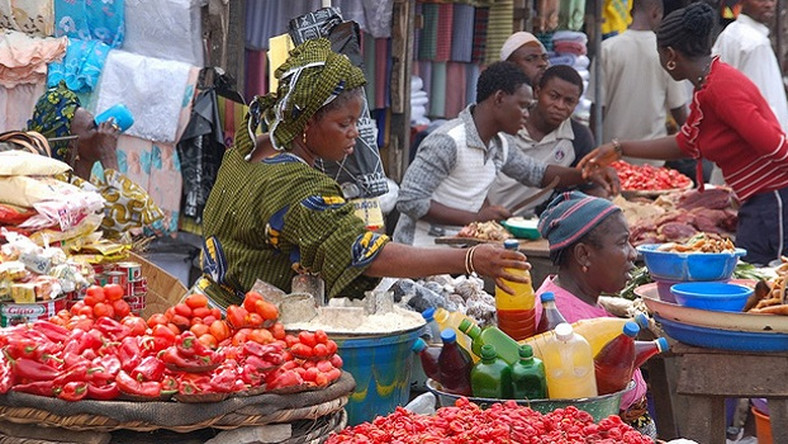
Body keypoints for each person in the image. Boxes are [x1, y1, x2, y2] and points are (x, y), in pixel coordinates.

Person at [199, 39, 532, 307]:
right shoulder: (298, 187)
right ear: (308, 121)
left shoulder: (246, 146)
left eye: (357, 122)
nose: (354, 133)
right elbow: (368, 254)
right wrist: (469, 259)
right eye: (344, 123)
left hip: (205, 304)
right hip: (245, 326)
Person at [579, 2, 788, 266]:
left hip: (772, 205)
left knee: (764, 282)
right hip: (758, 202)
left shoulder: (720, 89)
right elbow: (687, 143)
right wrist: (619, 148)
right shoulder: (708, 86)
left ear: (670, 55)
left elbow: (775, 146)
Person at [393, 61, 618, 247]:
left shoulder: (500, 143)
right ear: (499, 98)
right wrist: (475, 218)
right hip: (417, 253)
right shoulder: (448, 141)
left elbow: (537, 173)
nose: (526, 114)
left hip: (456, 256)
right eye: (522, 106)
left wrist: (587, 173)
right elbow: (410, 200)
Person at [534, 191, 654, 438]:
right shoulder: (563, 322)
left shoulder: (579, 298)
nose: (633, 254)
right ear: (583, 255)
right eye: (622, 243)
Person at [587, 0, 688, 165]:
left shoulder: (607, 49)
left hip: (612, 156)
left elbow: (598, 109)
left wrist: (592, 151)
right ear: (656, 13)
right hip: (652, 158)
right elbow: (678, 108)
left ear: (631, 11)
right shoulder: (667, 52)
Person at [487, 65, 597, 215]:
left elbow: (591, 189)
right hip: (479, 216)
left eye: (569, 101)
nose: (559, 106)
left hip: (529, 224)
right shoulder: (509, 120)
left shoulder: (578, 137)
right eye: (553, 96)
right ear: (537, 92)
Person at [713, 0, 788, 131]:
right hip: (764, 139)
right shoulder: (755, 43)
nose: (769, 4)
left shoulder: (729, 34)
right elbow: (765, 104)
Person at [27, 81, 119, 180]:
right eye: (92, 127)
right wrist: (108, 156)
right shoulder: (60, 185)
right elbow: (124, 196)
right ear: (71, 146)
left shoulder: (92, 180)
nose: (101, 132)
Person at [500, 31, 550, 98]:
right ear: (511, 65)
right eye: (530, 59)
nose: (543, 63)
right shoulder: (503, 103)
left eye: (544, 58)